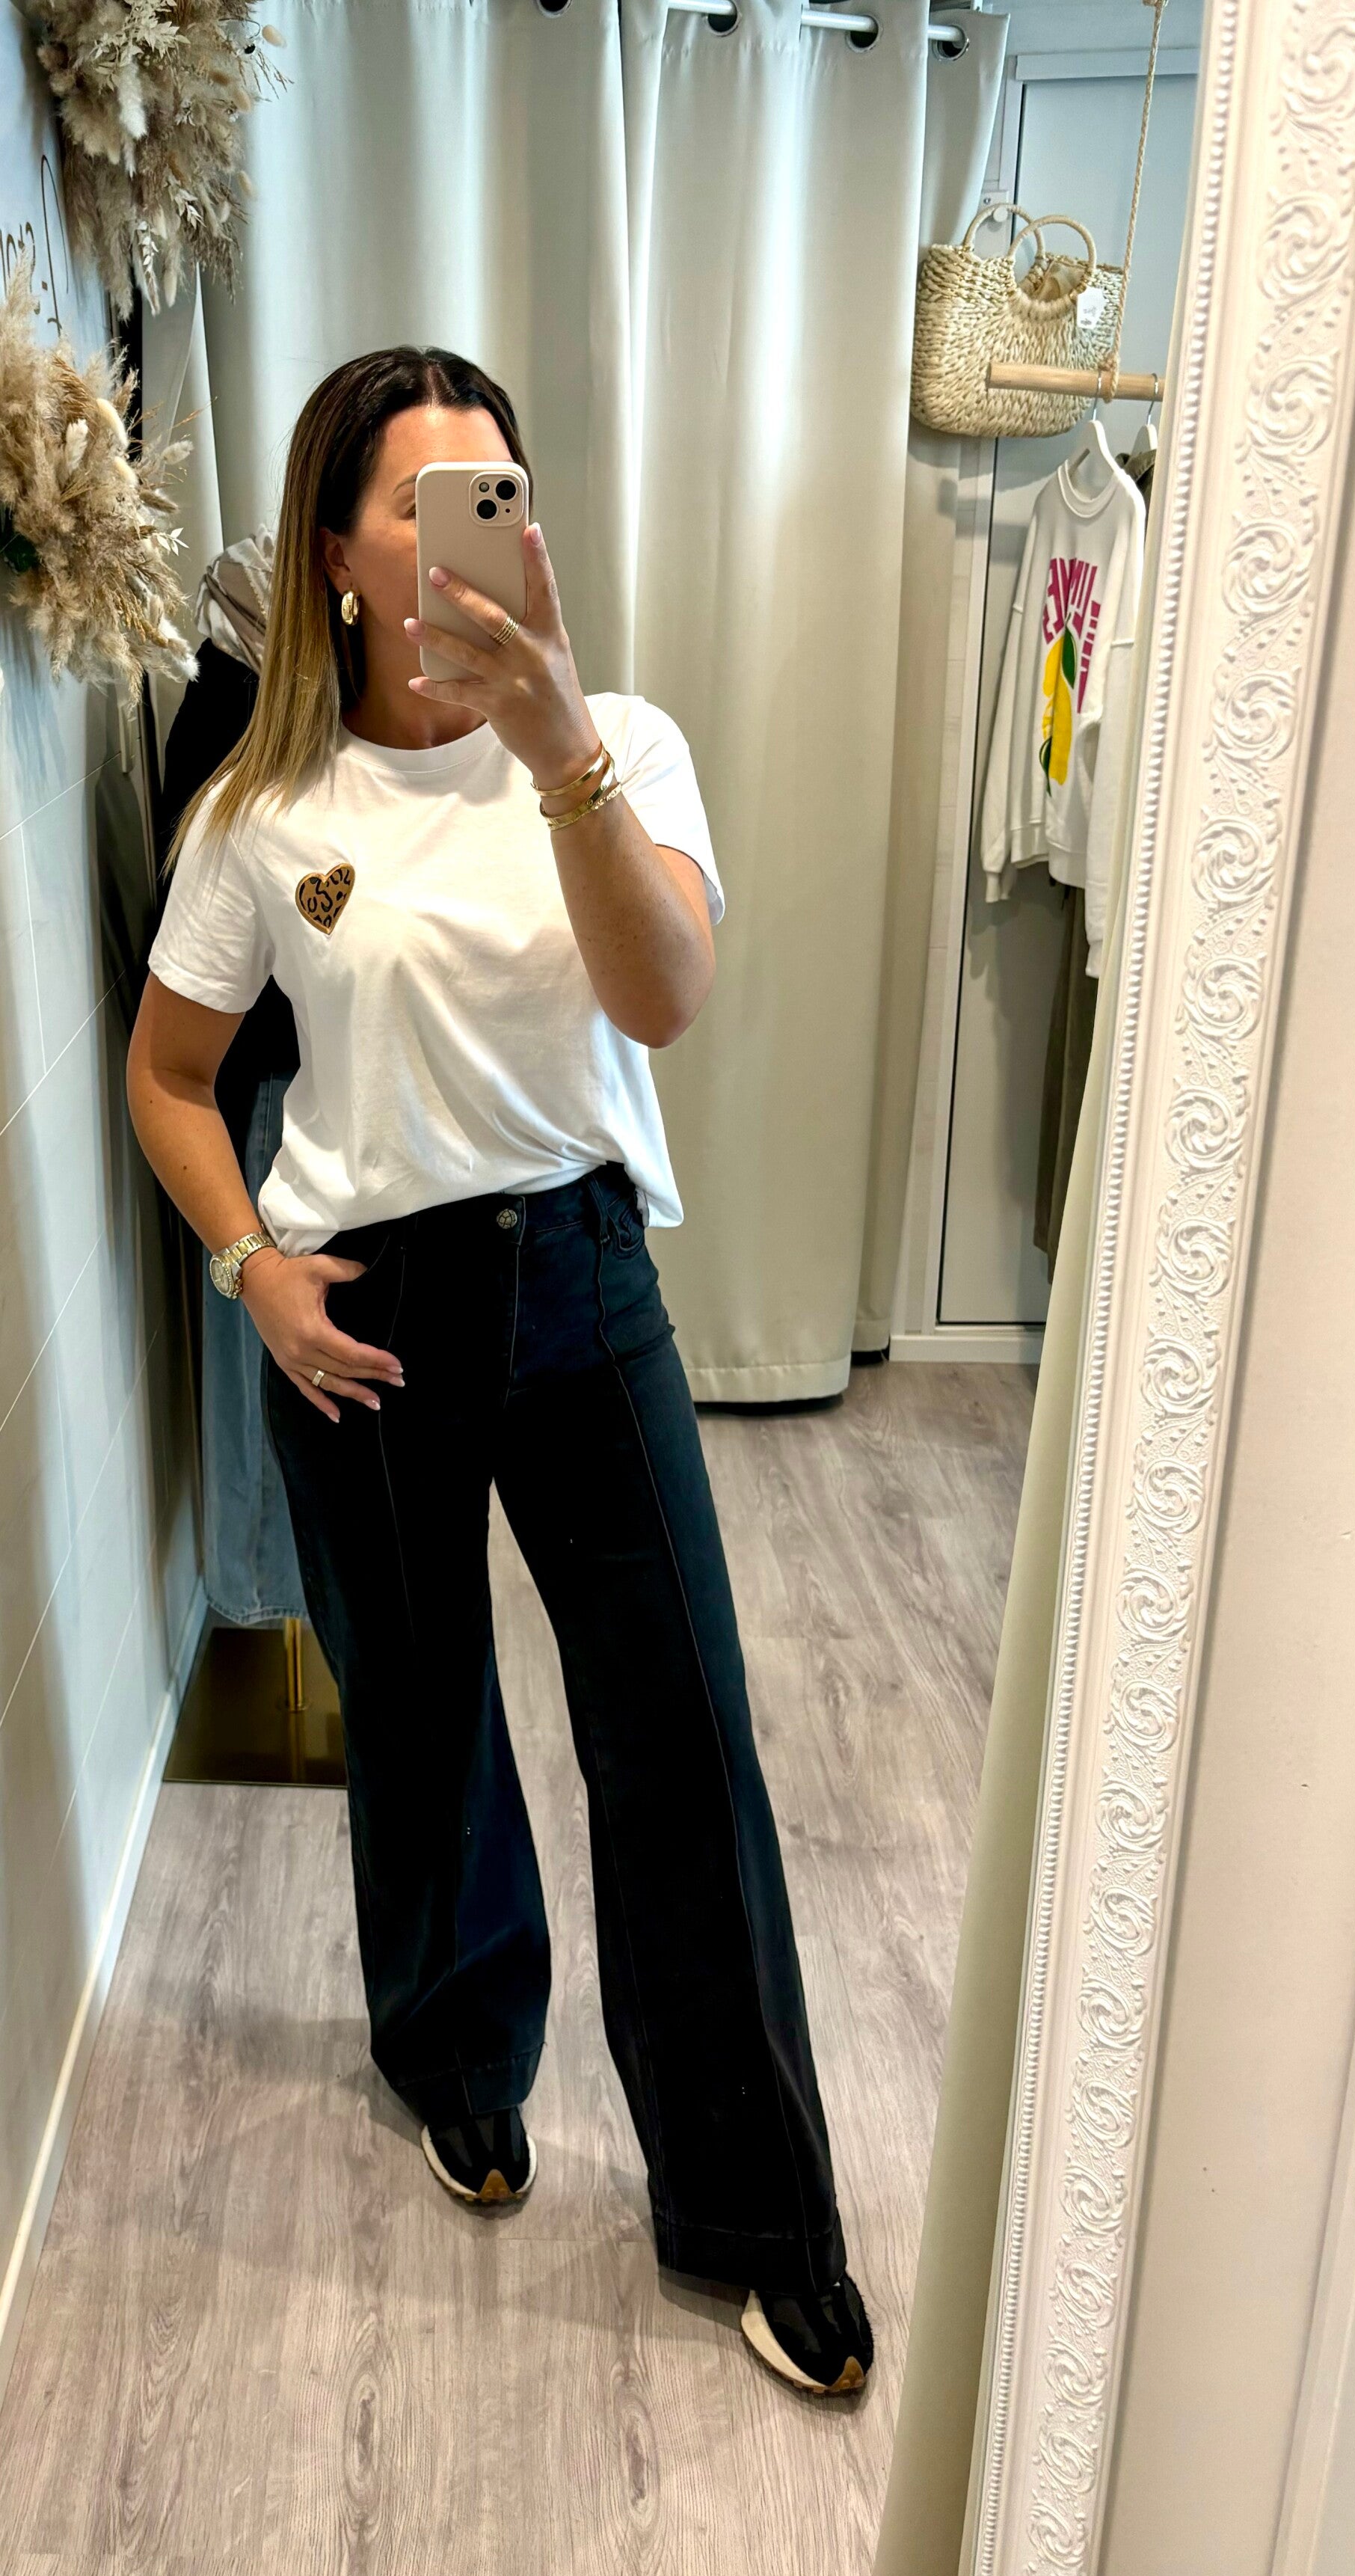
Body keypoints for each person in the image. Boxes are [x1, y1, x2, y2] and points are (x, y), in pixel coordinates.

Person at [126, 344, 873, 2398]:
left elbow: (668, 993)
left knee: (681, 1737)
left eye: (502, 492)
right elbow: (171, 1075)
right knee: (423, 1710)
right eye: (425, 499)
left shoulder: (624, 744)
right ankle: (460, 2057)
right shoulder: (264, 810)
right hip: (363, 1305)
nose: (478, 531)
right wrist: (252, 1271)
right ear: (338, 551)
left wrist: (558, 751)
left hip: (585, 1283)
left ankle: (758, 2215)